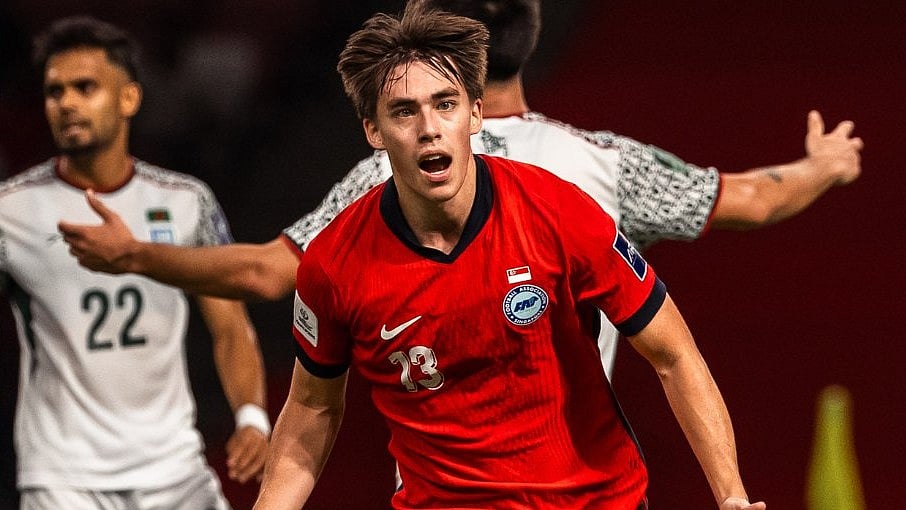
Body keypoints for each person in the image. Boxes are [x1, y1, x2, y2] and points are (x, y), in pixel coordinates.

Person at [58, 0, 862, 381]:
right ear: (529, 36)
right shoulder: (602, 163)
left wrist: (139, 257)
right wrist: (822, 169)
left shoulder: (385, 169)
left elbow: (272, 271)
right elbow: (755, 199)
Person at [254, 3, 765, 509]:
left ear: (475, 112)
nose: (429, 128)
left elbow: (674, 355)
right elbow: (311, 406)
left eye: (445, 103)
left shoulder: (560, 212)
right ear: (373, 130)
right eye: (404, 111)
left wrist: (731, 496)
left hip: (595, 502)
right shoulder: (333, 264)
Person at [0, 16, 270, 509]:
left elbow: (230, 326)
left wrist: (251, 415)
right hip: (62, 480)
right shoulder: (9, 211)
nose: (66, 104)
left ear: (129, 98)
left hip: (174, 471)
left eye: (85, 87)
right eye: (54, 91)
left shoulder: (188, 201)